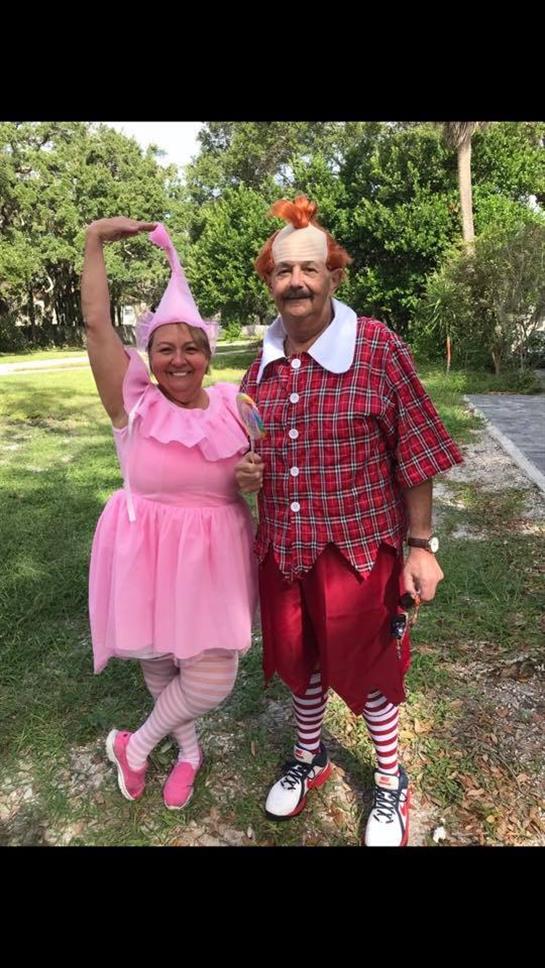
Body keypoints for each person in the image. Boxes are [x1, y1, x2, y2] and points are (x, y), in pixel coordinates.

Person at [235, 196, 463, 846]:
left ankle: (391, 780)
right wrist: (247, 472)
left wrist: (420, 545)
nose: (296, 281)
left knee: (371, 672)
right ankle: (310, 757)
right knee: (301, 661)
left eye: (309, 268)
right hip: (285, 551)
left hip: (358, 553)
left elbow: (416, 449)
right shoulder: (261, 363)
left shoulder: (377, 348)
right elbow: (254, 445)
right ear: (269, 280)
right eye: (283, 270)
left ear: (333, 275)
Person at [81, 217, 257, 809]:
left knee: (212, 677)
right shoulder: (133, 404)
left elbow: (268, 467)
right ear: (149, 355)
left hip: (214, 560)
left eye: (191, 348)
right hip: (146, 550)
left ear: (208, 353)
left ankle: (133, 746)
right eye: (165, 349)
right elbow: (96, 324)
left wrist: (255, 479)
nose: (179, 360)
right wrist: (94, 241)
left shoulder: (236, 406)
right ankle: (188, 752)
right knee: (158, 658)